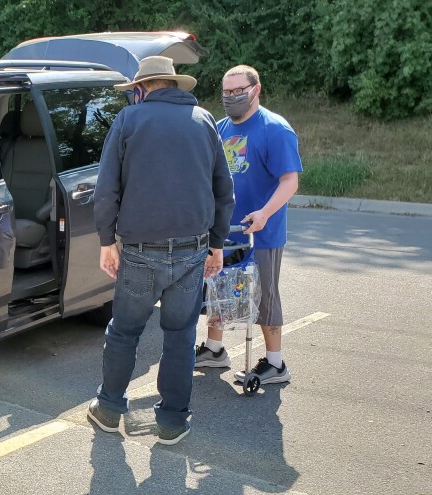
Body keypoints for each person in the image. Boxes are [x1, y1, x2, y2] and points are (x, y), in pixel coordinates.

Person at [87, 56, 234, 445]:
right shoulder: (204, 122)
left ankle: (109, 408)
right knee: (180, 336)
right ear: (172, 85)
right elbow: (224, 190)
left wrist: (106, 242)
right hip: (192, 252)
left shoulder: (128, 121)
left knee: (125, 331)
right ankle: (171, 421)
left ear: (143, 87)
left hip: (138, 250)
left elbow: (107, 189)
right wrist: (216, 245)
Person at [194, 65, 302, 385]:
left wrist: (265, 213)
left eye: (238, 91)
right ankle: (215, 350)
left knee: (265, 295)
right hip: (225, 232)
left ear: (255, 90)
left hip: (261, 233)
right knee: (219, 289)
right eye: (226, 92)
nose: (230, 98)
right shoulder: (221, 127)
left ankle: (275, 364)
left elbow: (290, 181)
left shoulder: (275, 129)